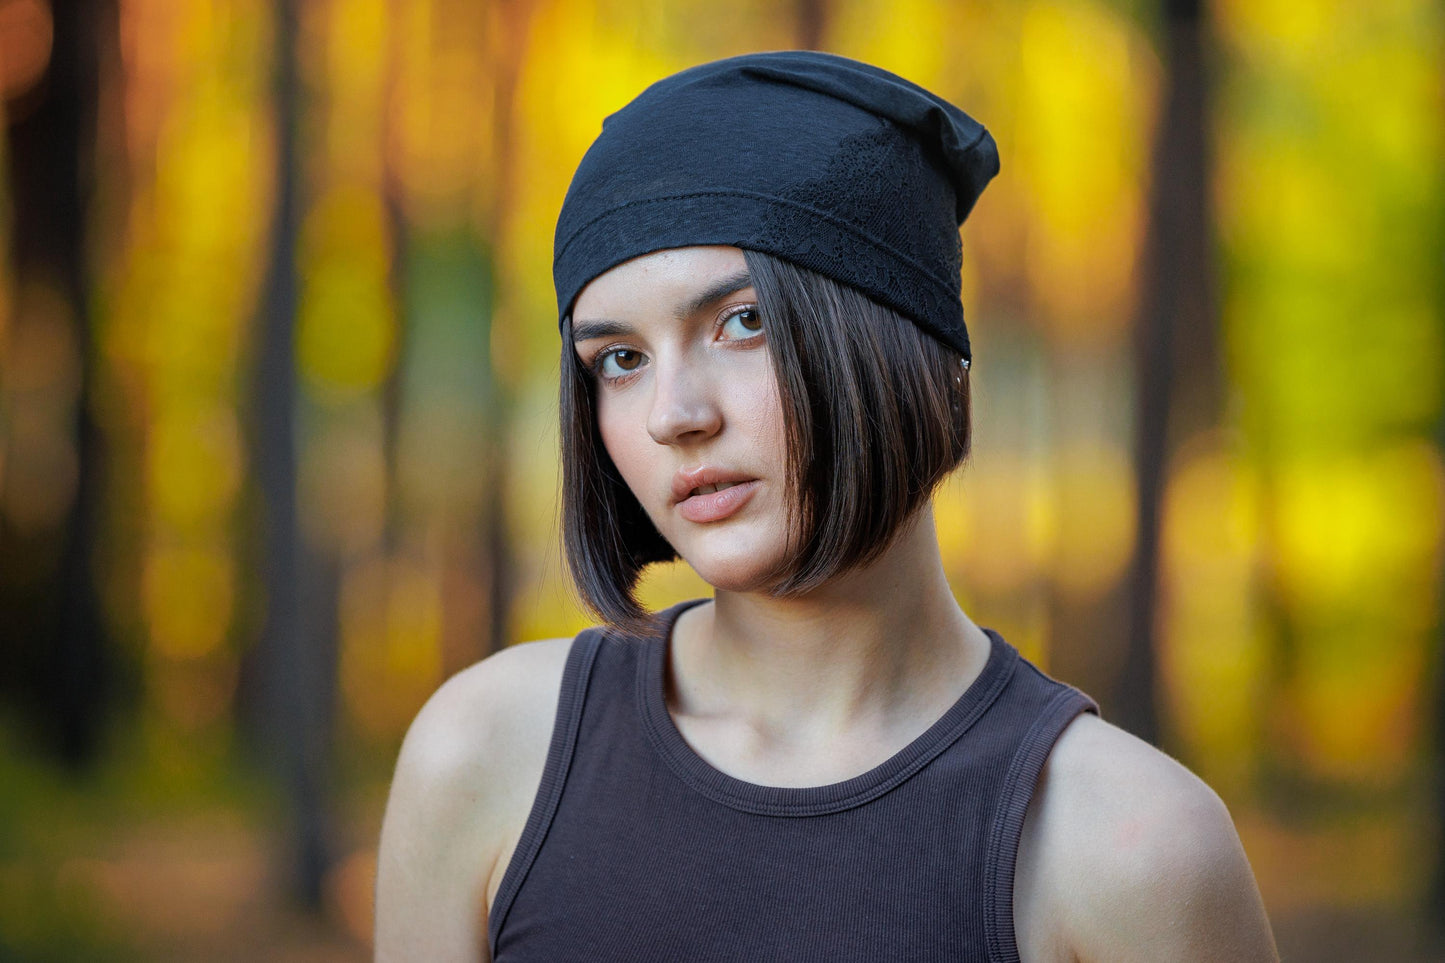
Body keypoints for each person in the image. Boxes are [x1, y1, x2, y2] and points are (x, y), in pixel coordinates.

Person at [374, 51, 1280, 962]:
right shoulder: (487, 755)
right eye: (620, 358)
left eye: (742, 321)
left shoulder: (1128, 848)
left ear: (903, 341)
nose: (673, 415)